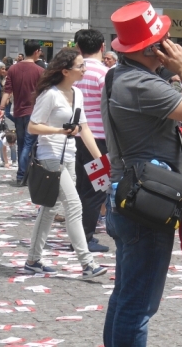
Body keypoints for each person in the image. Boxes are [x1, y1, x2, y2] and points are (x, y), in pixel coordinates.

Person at [101, 2, 182, 347]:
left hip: (129, 192)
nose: (172, 44)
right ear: (153, 47)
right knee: (139, 305)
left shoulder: (121, 75)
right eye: (165, 39)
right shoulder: (139, 85)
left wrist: (171, 68)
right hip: (147, 202)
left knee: (125, 294)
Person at [24, 48, 106, 280]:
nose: (84, 69)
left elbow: (84, 128)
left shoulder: (77, 93)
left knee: (49, 209)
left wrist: (100, 160)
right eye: (80, 66)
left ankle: (33, 259)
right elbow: (33, 126)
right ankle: (87, 263)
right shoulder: (50, 95)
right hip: (50, 156)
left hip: (69, 155)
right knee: (74, 205)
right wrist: (59, 131)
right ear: (65, 71)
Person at [73, 29, 111, 253]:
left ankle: (80, 235)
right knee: (96, 190)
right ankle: (84, 238)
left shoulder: (75, 72)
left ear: (79, 48)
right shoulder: (104, 74)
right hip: (98, 140)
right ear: (102, 46)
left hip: (76, 137)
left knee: (80, 187)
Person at [0, 40, 44, 184]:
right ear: (37, 51)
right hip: (34, 112)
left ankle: (22, 174)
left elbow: (7, 91)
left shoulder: (13, 69)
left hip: (18, 112)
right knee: (30, 144)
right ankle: (23, 175)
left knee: (21, 144)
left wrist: (1, 108)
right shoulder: (39, 71)